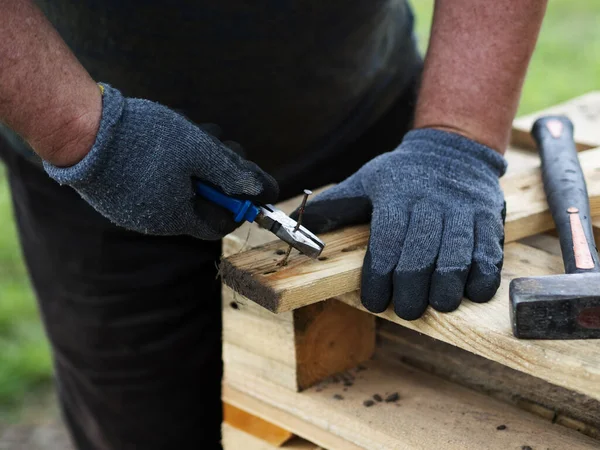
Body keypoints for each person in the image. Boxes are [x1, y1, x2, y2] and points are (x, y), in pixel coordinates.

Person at [0, 0, 548, 448]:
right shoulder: (88, 142)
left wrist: (455, 136)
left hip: (375, 141)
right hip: (100, 164)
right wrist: (80, 132)